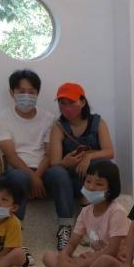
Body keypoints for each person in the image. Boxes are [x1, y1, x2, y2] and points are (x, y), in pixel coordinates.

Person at [45, 83, 116, 249]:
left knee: (101, 165)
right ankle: (65, 227)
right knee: (57, 172)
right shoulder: (58, 126)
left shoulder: (97, 122)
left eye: (71, 102)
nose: (66, 107)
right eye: (62, 103)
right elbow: (54, 162)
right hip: (67, 178)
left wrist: (88, 157)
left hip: (88, 177)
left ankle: (90, 217)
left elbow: (109, 152)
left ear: (82, 102)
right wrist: (66, 163)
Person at [40, 160, 128, 267]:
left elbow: (113, 250)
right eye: (88, 181)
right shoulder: (85, 211)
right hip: (91, 261)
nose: (91, 187)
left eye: (99, 184)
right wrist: (64, 257)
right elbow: (72, 243)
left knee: (104, 260)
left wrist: (81, 264)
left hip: (113, 262)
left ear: (110, 190)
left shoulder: (117, 212)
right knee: (48, 256)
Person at [0, 69, 56, 222]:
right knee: (19, 177)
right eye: (21, 91)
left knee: (60, 174)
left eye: (31, 91)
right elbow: (11, 156)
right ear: (11, 93)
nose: (26, 96)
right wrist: (32, 177)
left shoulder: (49, 118)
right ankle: (15, 230)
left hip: (43, 169)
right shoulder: (1, 119)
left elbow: (49, 154)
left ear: (37, 93)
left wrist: (37, 176)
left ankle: (65, 226)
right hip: (17, 170)